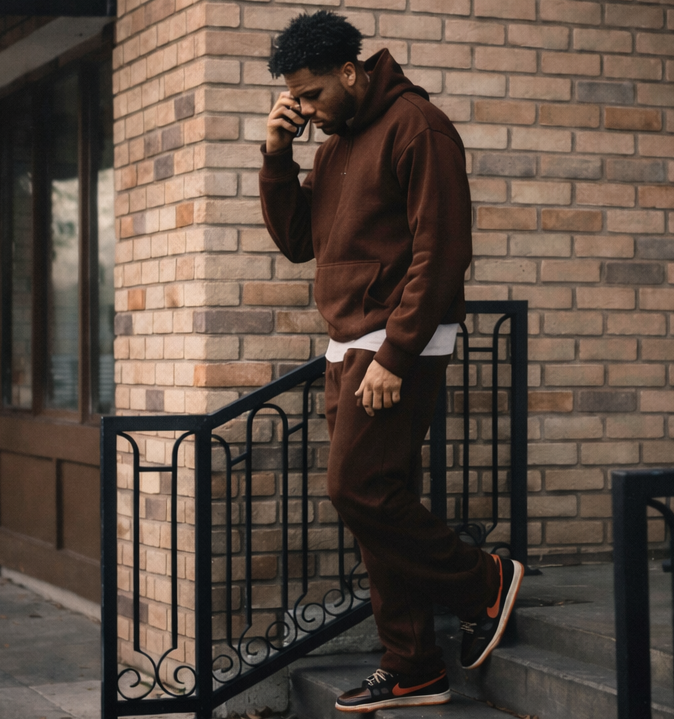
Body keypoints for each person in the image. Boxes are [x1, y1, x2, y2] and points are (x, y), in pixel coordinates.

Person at [257, 10, 524, 714]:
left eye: (312, 94)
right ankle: (413, 665)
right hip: (348, 346)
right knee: (377, 506)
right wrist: (278, 157)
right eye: (295, 97)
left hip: (395, 346)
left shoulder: (418, 127)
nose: (306, 108)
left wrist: (396, 354)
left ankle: (486, 582)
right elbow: (298, 243)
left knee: (356, 489)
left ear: (350, 72)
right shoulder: (331, 149)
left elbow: (443, 249)